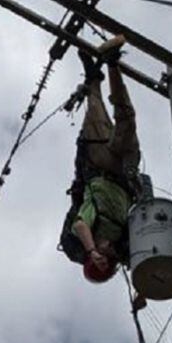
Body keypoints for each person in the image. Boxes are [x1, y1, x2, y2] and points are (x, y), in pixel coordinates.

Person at [60, 34, 142, 283]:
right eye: (108, 262)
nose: (107, 257)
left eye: (102, 262)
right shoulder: (122, 243)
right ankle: (112, 62)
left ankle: (94, 77)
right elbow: (143, 260)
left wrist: (92, 250)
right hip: (124, 170)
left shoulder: (89, 231)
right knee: (126, 118)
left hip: (98, 165)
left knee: (95, 108)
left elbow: (80, 225)